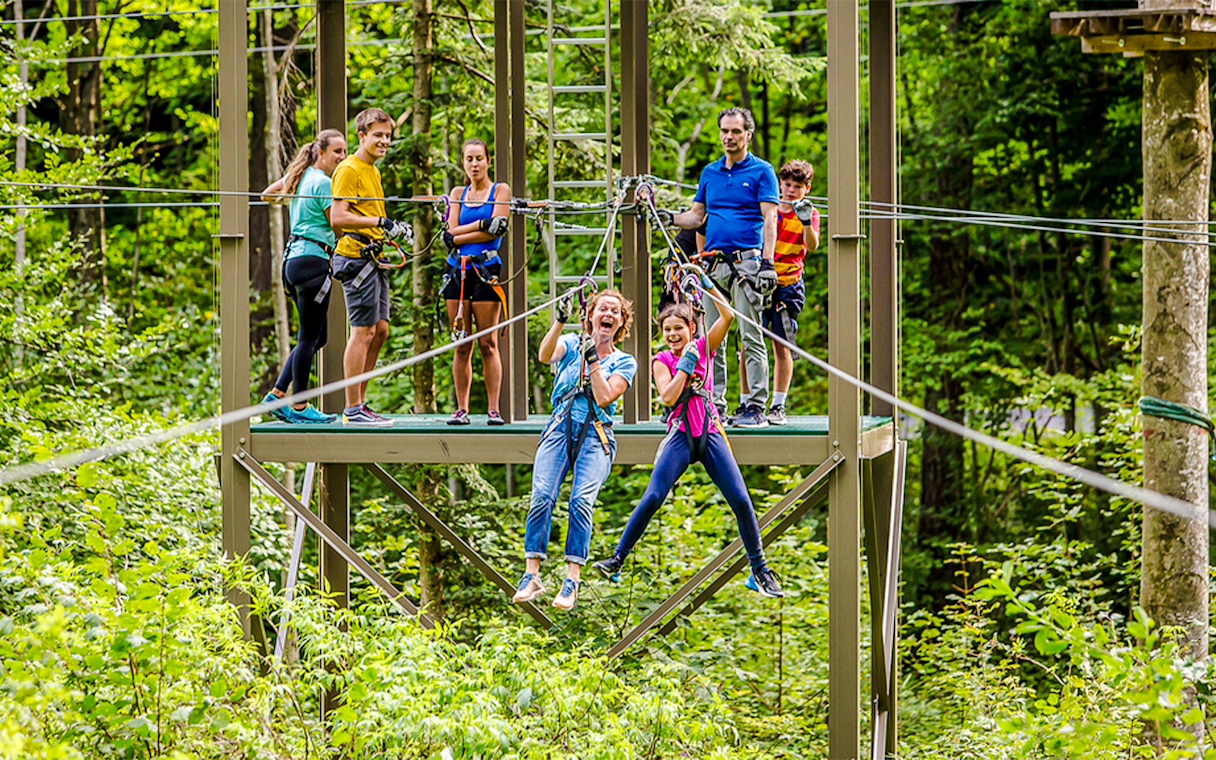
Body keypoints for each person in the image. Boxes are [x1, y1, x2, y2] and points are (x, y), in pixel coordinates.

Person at [590, 273, 784, 598]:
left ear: (690, 329)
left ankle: (759, 569)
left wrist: (706, 285)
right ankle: (617, 560)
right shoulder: (661, 360)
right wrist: (686, 366)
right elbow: (667, 397)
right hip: (680, 434)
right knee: (653, 496)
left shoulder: (704, 347)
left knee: (740, 498)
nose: (672, 335)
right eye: (667, 330)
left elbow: (728, 315)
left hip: (709, 431)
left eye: (678, 328)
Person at [512, 288, 637, 611]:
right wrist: (560, 320)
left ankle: (572, 579)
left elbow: (605, 396)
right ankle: (532, 574)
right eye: (602, 310)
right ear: (590, 316)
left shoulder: (624, 361)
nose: (608, 315)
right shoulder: (571, 343)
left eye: (615, 312)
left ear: (621, 323)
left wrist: (593, 358)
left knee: (580, 500)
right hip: (559, 425)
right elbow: (544, 355)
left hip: (596, 433)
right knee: (542, 494)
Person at [662, 106, 780, 429]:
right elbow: (697, 217)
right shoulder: (710, 173)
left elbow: (770, 218)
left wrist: (767, 263)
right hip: (714, 266)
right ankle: (715, 402)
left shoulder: (762, 171)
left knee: (750, 333)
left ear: (748, 134)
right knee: (713, 338)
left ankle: (755, 405)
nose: (729, 137)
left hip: (746, 264)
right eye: (725, 131)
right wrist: (667, 217)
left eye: (736, 132)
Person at [328, 108, 413, 426]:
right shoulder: (349, 169)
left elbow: (368, 214)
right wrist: (379, 222)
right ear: (361, 136)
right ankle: (352, 408)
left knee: (380, 330)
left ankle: (360, 403)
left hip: (373, 256)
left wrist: (391, 229)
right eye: (378, 134)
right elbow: (338, 217)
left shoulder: (372, 171)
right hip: (356, 258)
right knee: (363, 331)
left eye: (388, 135)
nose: (384, 141)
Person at [260, 129, 348, 423]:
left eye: (345, 152)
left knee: (316, 336)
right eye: (337, 152)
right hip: (313, 261)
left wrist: (292, 203)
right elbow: (336, 223)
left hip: (294, 261)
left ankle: (277, 394)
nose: (342, 157)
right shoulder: (323, 183)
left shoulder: (298, 179)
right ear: (320, 153)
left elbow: (266, 195)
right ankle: (300, 406)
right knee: (310, 337)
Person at [743, 159, 821, 426]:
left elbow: (812, 246)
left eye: (797, 186)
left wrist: (806, 223)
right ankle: (747, 400)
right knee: (749, 340)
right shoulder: (769, 208)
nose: (790, 190)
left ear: (806, 188)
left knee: (782, 344)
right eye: (786, 184)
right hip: (760, 279)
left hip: (788, 285)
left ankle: (778, 404)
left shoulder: (808, 213)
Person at [441, 138, 511, 426]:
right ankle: (462, 408)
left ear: (488, 161)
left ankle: (493, 408)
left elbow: (497, 230)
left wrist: (463, 233)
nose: (474, 164)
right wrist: (481, 225)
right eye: (469, 159)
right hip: (458, 272)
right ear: (463, 162)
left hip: (485, 270)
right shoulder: (458, 192)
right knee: (461, 343)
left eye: (479, 158)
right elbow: (450, 236)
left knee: (487, 343)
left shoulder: (500, 190)